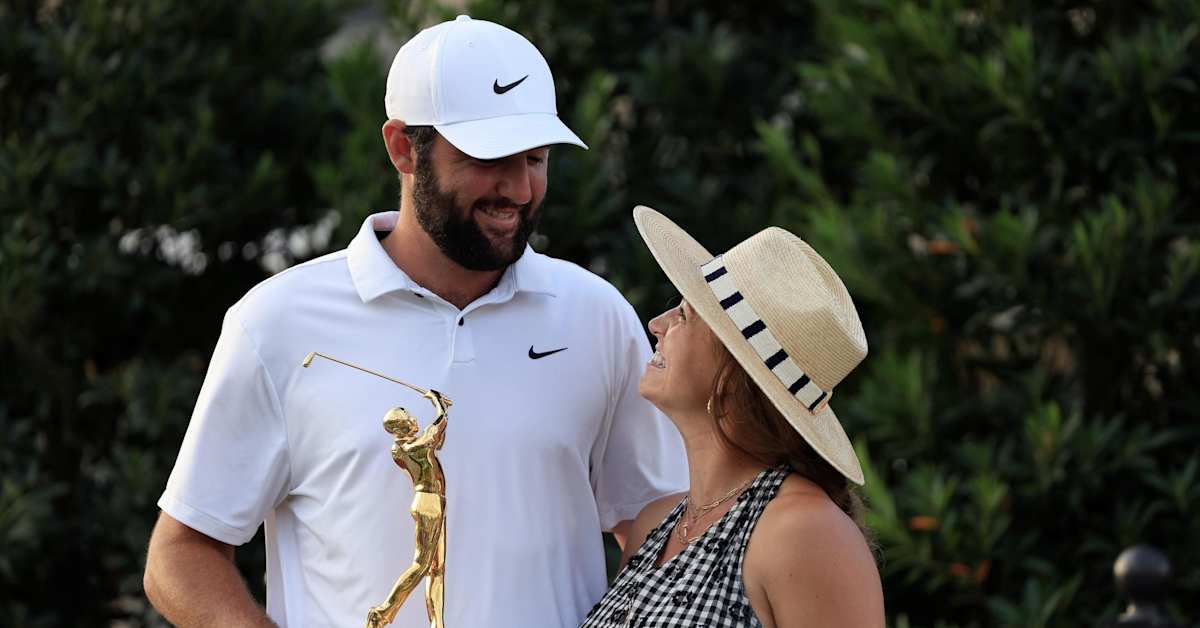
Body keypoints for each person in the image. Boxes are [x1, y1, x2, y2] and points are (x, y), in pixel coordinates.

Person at [142, 16, 685, 628]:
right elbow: (179, 555)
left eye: (536, 158)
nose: (518, 188)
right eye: (490, 157)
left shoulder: (597, 315)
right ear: (402, 147)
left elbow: (657, 522)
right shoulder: (276, 323)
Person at [580, 206, 885, 627]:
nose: (656, 324)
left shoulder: (804, 532)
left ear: (732, 377)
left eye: (684, 315)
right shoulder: (654, 524)